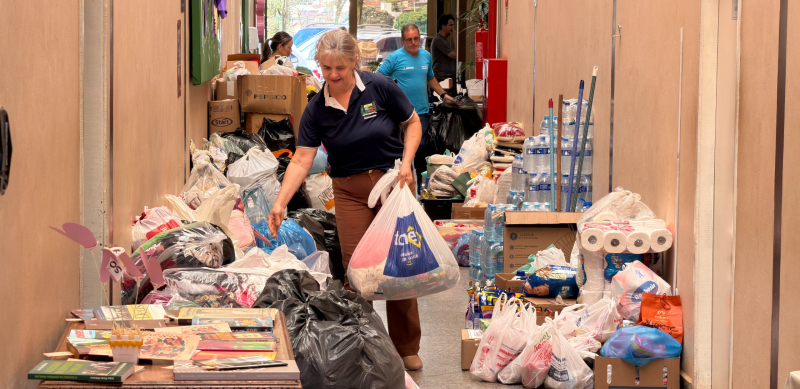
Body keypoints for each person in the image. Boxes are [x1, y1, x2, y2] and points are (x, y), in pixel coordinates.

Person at [267, 29, 426, 371]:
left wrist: (408, 162)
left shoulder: (380, 88)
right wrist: (280, 202)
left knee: (400, 265)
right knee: (358, 273)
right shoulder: (316, 108)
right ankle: (362, 343)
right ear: (318, 65)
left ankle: (406, 345)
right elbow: (301, 159)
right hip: (350, 191)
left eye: (340, 66)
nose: (334, 74)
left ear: (355, 61)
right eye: (326, 67)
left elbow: (412, 123)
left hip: (392, 184)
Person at [376, 24, 454, 190]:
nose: (413, 42)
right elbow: (378, 78)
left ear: (420, 38)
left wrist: (443, 94)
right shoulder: (395, 58)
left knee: (422, 149)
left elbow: (430, 78)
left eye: (416, 38)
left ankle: (421, 187)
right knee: (399, 152)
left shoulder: (426, 56)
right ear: (403, 41)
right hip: (398, 115)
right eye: (409, 39)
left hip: (421, 112)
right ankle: (396, 186)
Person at [430, 14, 457, 95]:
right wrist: (455, 38)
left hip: (446, 77)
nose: (453, 28)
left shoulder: (443, 40)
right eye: (450, 25)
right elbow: (455, 55)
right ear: (443, 27)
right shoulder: (439, 40)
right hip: (442, 78)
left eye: (453, 25)